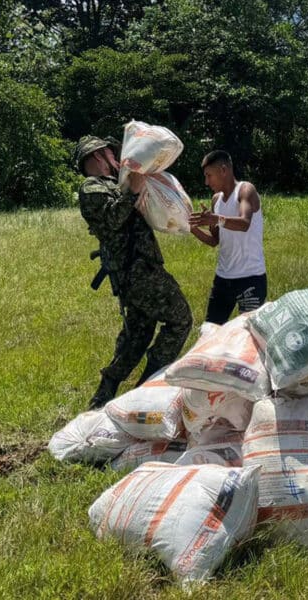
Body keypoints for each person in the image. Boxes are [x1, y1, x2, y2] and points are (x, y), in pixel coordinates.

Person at [74, 135, 192, 409]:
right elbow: (113, 220)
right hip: (138, 272)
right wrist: (134, 192)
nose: (116, 159)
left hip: (138, 270)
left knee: (135, 340)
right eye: (110, 154)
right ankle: (147, 389)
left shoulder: (115, 184)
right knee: (180, 320)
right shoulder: (92, 188)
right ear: (97, 157)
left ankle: (101, 403)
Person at [189, 150, 267, 324]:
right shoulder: (216, 200)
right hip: (223, 279)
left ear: (223, 170)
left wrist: (216, 219)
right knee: (210, 331)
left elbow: (244, 223)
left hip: (250, 278)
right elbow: (213, 241)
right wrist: (191, 228)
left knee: (249, 335)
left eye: (209, 176)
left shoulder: (246, 190)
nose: (206, 182)